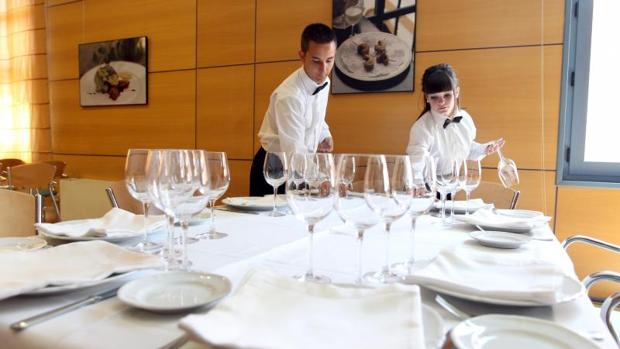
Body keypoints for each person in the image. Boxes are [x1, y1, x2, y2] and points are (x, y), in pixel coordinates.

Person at [250, 23, 337, 196]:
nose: (324, 69)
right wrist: (323, 180)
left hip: (301, 166)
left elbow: (313, 113)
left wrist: (323, 134)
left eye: (329, 61)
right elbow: (295, 153)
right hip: (274, 168)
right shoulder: (289, 96)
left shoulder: (323, 81)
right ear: (302, 56)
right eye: (316, 61)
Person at [406, 63, 504, 175]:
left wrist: (485, 149)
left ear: (456, 92)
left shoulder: (465, 119)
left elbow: (466, 149)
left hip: (454, 184)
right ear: (427, 98)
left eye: (447, 95)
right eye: (434, 97)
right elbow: (416, 166)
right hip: (428, 187)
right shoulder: (421, 128)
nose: (441, 102)